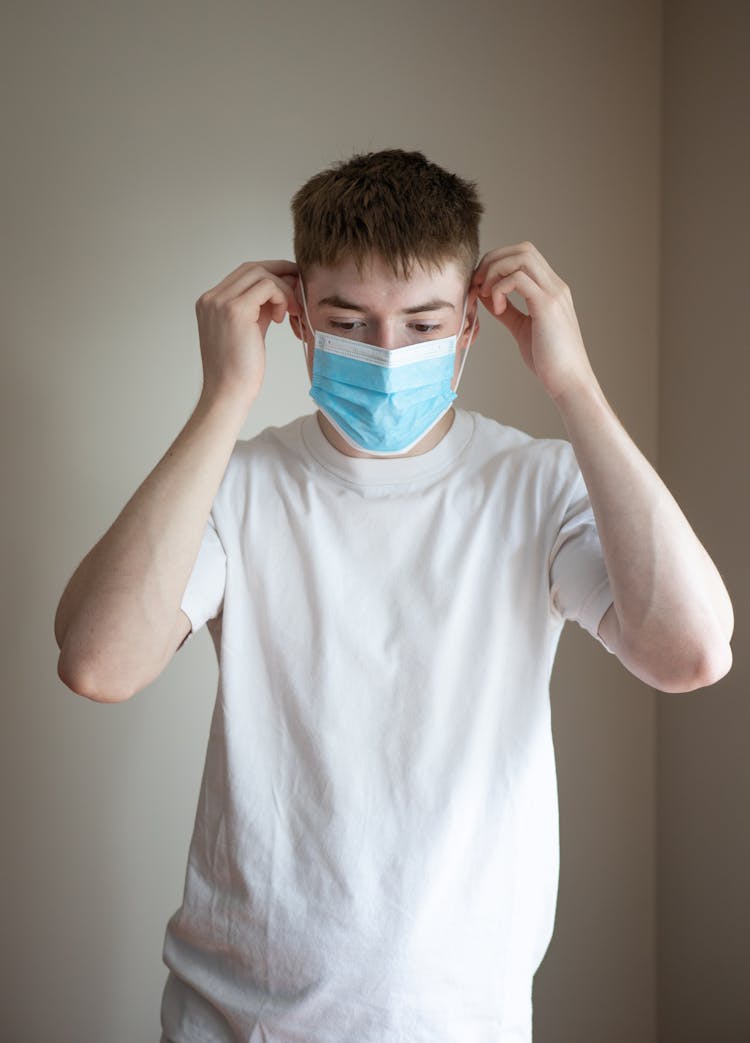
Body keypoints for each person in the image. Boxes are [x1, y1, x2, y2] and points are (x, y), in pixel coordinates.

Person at [54, 149, 733, 1042]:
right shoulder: (237, 485)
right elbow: (100, 662)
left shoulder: (538, 485)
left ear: (469, 328)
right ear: (297, 320)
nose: (386, 354)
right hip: (234, 1021)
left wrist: (575, 387)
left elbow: (691, 652)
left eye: (421, 323)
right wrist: (224, 398)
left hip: (465, 1022)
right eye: (349, 321)